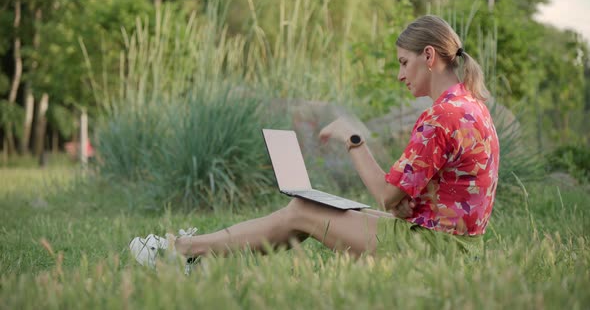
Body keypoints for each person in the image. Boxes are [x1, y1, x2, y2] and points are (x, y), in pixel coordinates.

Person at [129, 15, 500, 268]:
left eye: (404, 62)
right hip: (455, 246)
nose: (400, 74)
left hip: (434, 249)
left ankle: (180, 252)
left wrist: (354, 140)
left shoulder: (442, 116)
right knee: (313, 207)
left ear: (430, 56)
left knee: (302, 212)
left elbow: (387, 198)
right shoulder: (471, 106)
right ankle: (192, 253)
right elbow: (418, 199)